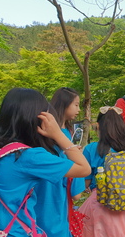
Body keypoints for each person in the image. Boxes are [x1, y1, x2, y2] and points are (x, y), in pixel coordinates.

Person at [0, 88, 91, 237]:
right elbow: (84, 169)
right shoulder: (27, 156)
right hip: (17, 232)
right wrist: (58, 134)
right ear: (37, 119)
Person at [78, 106, 125, 237]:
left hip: (101, 204)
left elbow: (84, 182)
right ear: (122, 126)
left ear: (99, 126)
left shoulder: (92, 149)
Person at [32, 87, 87, 237]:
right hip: (54, 212)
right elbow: (77, 193)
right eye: (76, 104)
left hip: (36, 213)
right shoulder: (62, 138)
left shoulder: (39, 138)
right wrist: (76, 155)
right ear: (64, 104)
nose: (78, 109)